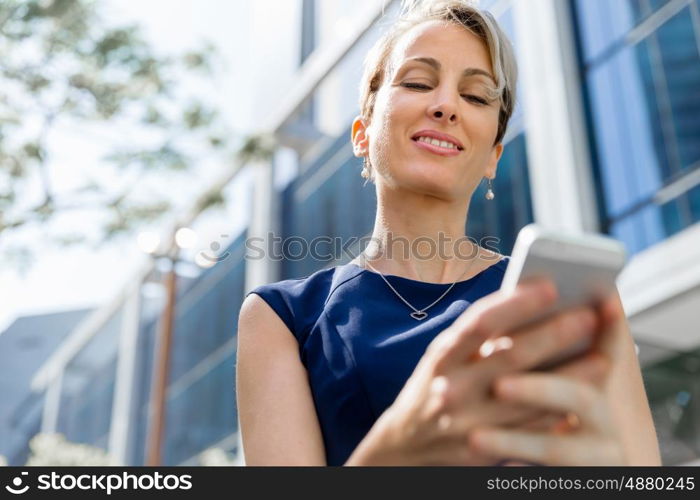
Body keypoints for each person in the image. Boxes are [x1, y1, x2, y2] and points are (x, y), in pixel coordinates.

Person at [236, 0, 661, 466]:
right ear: (362, 132)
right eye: (418, 82)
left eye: (476, 96)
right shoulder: (283, 317)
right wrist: (397, 451)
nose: (445, 106)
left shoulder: (567, 304)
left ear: (494, 155)